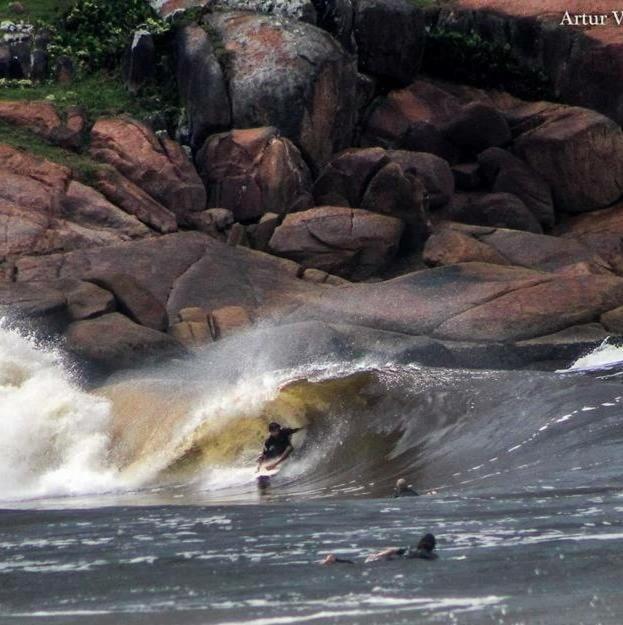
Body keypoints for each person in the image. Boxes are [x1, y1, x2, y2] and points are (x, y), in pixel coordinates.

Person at [364, 533, 438, 562]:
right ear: (433, 546)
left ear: (420, 543)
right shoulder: (433, 556)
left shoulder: (409, 549)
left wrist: (377, 555)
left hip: (399, 559)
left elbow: (392, 550)